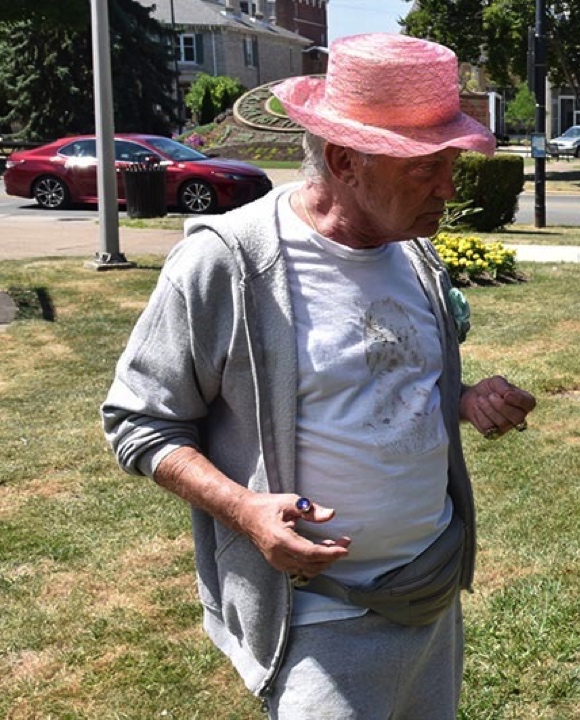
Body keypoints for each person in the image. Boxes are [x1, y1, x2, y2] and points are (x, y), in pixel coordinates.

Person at [102, 33, 536, 718]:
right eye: (426, 168)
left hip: (430, 595)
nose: (448, 188)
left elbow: (386, 380)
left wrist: (463, 398)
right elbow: (138, 420)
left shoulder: (414, 254)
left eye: (450, 163)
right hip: (316, 619)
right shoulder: (231, 263)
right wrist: (246, 512)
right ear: (343, 161)